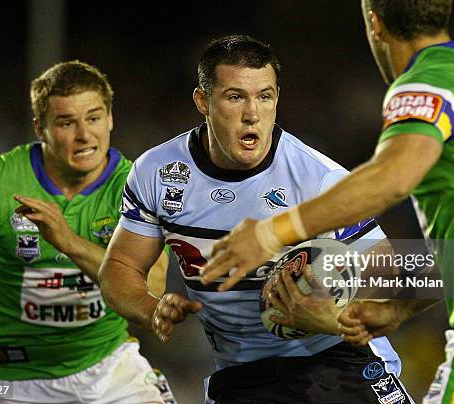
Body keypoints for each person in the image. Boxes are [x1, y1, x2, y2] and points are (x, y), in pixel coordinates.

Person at [202, 1, 454, 403]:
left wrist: (272, 232)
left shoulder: (429, 81)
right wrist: (397, 310)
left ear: (373, 21)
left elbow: (392, 177)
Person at [100, 35, 413, 403]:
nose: (253, 114)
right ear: (203, 101)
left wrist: (331, 313)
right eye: (235, 97)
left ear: (277, 99)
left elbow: (385, 268)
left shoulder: (318, 178)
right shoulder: (157, 172)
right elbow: (120, 267)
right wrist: (152, 307)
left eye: (264, 97)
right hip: (242, 376)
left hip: (339, 362)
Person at [0, 60, 175, 404]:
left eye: (94, 118)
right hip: (16, 380)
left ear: (110, 118)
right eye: (67, 122)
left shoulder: (138, 188)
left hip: (109, 370)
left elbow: (149, 294)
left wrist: (68, 243)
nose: (84, 135)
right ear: (40, 129)